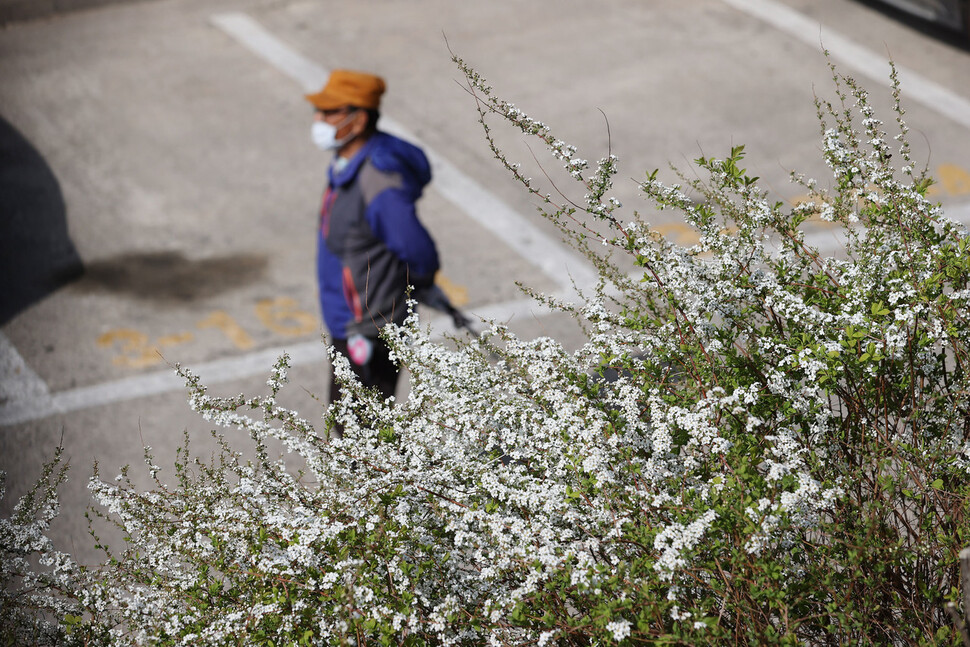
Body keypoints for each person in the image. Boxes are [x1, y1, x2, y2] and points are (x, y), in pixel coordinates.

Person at [306, 69, 441, 405]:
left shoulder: (377, 179)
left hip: (367, 324)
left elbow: (415, 246)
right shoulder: (348, 161)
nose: (319, 119)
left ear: (359, 119)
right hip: (347, 314)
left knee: (360, 429)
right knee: (353, 423)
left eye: (330, 112)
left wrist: (419, 281)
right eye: (319, 111)